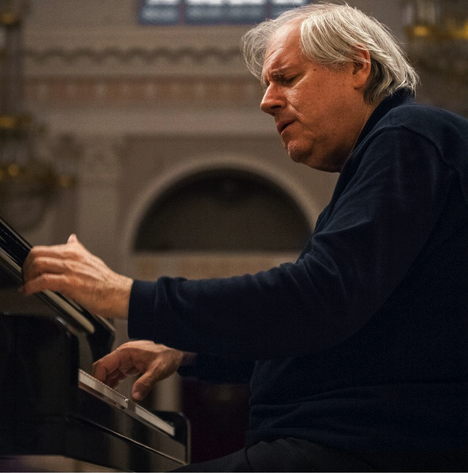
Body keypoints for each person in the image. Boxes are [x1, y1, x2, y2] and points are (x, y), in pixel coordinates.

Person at [22, 2, 468, 471]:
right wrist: (189, 350)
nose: (267, 101)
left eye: (288, 78)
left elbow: (316, 300)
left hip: (372, 447)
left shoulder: (409, 138)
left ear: (359, 66)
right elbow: (338, 329)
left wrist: (128, 296)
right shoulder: (399, 147)